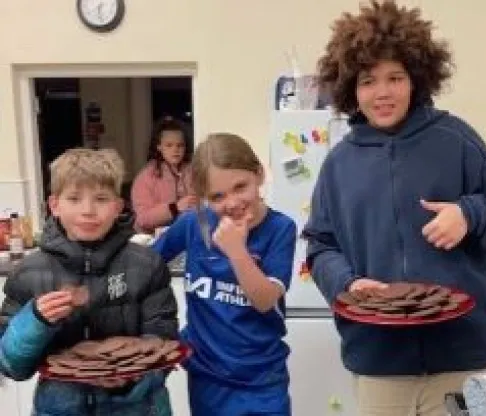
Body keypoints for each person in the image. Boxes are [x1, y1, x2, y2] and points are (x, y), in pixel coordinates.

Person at [302, 1, 486, 415]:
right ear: (350, 89)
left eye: (395, 77)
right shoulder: (338, 165)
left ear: (416, 79)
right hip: (380, 364)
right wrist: (347, 282)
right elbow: (320, 246)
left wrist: (469, 214)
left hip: (470, 356)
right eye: (368, 81)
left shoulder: (456, 139)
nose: (382, 93)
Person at [0, 148, 178, 416]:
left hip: (139, 408)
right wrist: (36, 320)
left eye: (101, 199)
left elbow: (164, 344)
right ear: (55, 205)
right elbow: (12, 365)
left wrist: (132, 378)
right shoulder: (29, 272)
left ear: (118, 207)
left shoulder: (147, 265)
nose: (88, 211)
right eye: (74, 198)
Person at [153, 133, 297, 416]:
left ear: (258, 174)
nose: (232, 203)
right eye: (217, 197)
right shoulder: (194, 224)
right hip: (208, 377)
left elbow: (265, 300)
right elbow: (144, 266)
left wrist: (237, 252)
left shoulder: (281, 228)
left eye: (240, 187)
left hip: (262, 378)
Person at [131, 116, 196, 233]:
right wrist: (174, 208)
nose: (175, 150)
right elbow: (142, 219)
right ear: (159, 147)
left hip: (188, 234)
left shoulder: (193, 172)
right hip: (154, 240)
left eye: (180, 145)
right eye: (169, 145)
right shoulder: (145, 178)